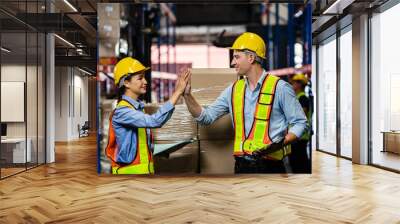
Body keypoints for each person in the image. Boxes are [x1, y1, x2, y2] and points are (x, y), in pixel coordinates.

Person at [183, 32, 307, 173]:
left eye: (236, 57)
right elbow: (205, 117)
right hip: (242, 166)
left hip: (271, 166)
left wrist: (281, 143)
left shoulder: (280, 88)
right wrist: (187, 95)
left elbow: (300, 122)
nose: (232, 62)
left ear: (251, 58)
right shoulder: (233, 90)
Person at [105, 57, 190, 174]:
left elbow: (140, 145)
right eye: (140, 78)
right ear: (126, 82)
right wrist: (178, 92)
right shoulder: (123, 112)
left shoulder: (138, 109)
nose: (145, 82)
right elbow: (155, 121)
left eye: (144, 77)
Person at [289, 73, 312, 173]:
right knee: (296, 162)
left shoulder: (302, 98)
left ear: (299, 84)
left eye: (293, 83)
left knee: (299, 163)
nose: (292, 85)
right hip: (295, 135)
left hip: (299, 137)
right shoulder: (297, 98)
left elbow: (299, 116)